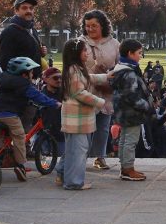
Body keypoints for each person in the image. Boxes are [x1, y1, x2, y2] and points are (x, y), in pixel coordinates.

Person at [0, 57, 59, 181]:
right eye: (31, 72)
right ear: (24, 74)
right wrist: (55, 103)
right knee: (19, 138)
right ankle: (20, 165)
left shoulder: (3, 79)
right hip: (10, 116)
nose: (32, 75)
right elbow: (38, 97)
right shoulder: (24, 84)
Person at [57, 39, 108, 191]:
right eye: (84, 50)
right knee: (78, 151)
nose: (88, 53)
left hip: (77, 119)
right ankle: (73, 182)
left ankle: (62, 174)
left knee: (72, 150)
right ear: (76, 53)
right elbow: (79, 92)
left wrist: (106, 76)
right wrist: (100, 101)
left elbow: (88, 78)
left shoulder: (75, 69)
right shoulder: (74, 70)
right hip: (77, 119)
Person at [78, 10, 120, 172]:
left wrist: (113, 75)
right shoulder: (79, 43)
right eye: (87, 26)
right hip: (86, 89)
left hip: (106, 91)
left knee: (103, 127)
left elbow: (120, 64)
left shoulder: (114, 43)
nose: (90, 29)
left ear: (102, 25)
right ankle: (81, 157)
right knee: (86, 126)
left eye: (94, 25)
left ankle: (99, 157)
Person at [109, 40, 152, 182]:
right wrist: (147, 106)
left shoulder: (119, 68)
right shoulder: (130, 73)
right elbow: (132, 96)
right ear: (130, 53)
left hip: (122, 111)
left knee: (124, 139)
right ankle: (128, 169)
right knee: (130, 140)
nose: (141, 56)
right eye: (139, 53)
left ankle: (125, 167)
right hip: (131, 112)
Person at [0, 0, 46, 79]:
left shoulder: (33, 30)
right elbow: (4, 61)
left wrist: (40, 52)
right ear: (16, 11)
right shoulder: (9, 32)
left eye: (31, 8)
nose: (28, 11)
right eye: (24, 8)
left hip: (35, 80)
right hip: (19, 83)